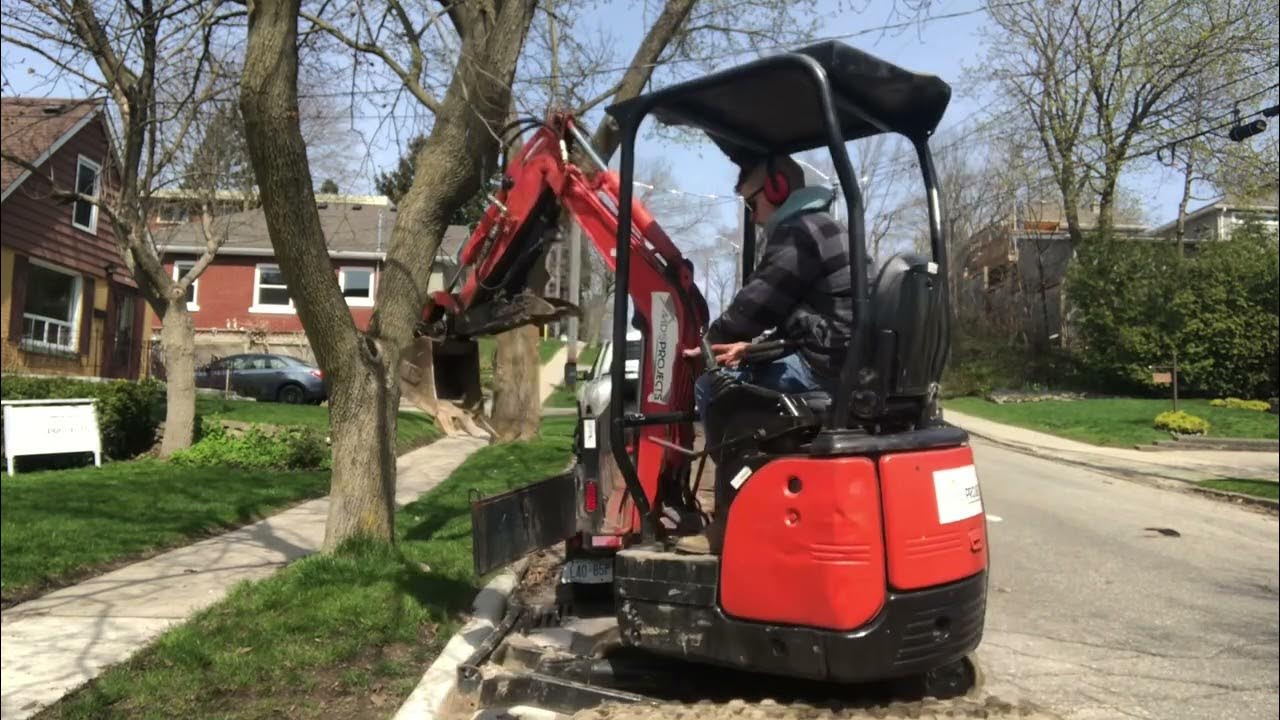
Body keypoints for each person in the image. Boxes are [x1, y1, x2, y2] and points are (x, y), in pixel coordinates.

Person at [674, 155, 853, 554]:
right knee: (741, 375)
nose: (753, 218)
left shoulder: (800, 233)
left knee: (718, 391)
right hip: (841, 359)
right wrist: (752, 349)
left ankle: (733, 518)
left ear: (775, 190)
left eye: (752, 205)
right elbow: (811, 321)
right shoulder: (828, 227)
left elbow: (756, 304)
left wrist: (704, 348)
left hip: (826, 368)